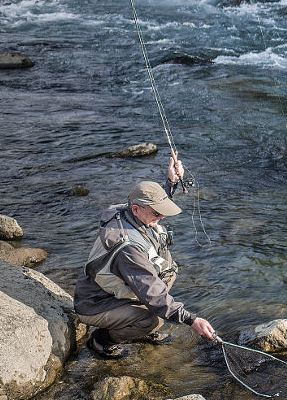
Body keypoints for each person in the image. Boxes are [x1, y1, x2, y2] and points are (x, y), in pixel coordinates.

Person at [74, 151, 216, 358]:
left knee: (168, 271)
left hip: (117, 291)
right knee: (153, 320)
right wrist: (191, 320)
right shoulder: (128, 248)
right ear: (136, 209)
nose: (162, 216)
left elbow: (151, 204)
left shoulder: (127, 212)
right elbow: (154, 295)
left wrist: (171, 182)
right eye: (157, 213)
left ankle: (135, 325)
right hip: (96, 303)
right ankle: (101, 340)